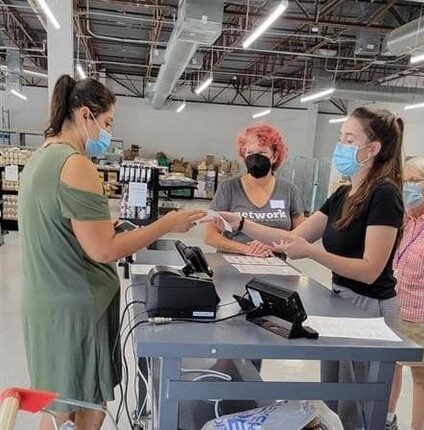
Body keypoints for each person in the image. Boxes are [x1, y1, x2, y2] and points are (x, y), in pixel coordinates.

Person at [18, 75, 204, 430]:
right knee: (79, 403)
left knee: (57, 401)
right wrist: (166, 224)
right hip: (76, 308)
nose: (107, 133)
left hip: (49, 302)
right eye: (107, 123)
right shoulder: (75, 164)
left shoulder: (42, 156)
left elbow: (67, 232)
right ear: (86, 115)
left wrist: (107, 227)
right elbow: (104, 251)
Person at [215, 107, 404, 430]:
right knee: (334, 402)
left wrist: (312, 254)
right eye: (340, 138)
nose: (340, 146)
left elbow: (371, 269)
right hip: (340, 302)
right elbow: (293, 237)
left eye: (349, 139)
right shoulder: (345, 193)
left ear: (372, 149)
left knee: (357, 411)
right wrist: (242, 222)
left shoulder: (385, 195)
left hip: (370, 309)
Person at [205, 123, 304, 257]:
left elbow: (300, 238)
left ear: (274, 156)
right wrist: (246, 249)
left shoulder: (290, 191)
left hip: (274, 264)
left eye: (262, 152)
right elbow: (210, 236)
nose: (255, 158)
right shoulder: (228, 188)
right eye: (250, 153)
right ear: (243, 156)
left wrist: (272, 247)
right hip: (233, 264)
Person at [387, 156, 424, 430]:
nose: (408, 187)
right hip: (393, 307)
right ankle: (387, 419)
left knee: (423, 377)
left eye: (415, 181)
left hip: (423, 315)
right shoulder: (403, 218)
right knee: (390, 368)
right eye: (405, 181)